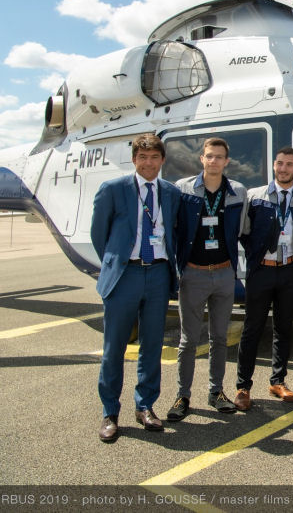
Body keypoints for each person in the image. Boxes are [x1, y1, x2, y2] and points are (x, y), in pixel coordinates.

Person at [91, 133, 181, 442]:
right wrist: (118, 262)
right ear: (134, 160)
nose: (148, 163)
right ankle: (110, 412)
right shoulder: (113, 190)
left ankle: (145, 406)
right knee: (114, 348)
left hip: (157, 274)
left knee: (152, 345)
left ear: (162, 160)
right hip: (125, 276)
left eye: (154, 157)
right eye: (142, 157)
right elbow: (99, 236)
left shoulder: (170, 193)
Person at [167, 137, 248, 421]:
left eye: (219, 157)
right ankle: (182, 395)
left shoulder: (238, 191)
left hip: (225, 273)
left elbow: (242, 229)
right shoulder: (183, 189)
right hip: (193, 274)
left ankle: (216, 392)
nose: (214, 161)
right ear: (201, 159)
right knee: (188, 340)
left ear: (227, 161)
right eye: (209, 156)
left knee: (220, 338)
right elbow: (174, 230)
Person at [233, 147, 293, 410]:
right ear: (274, 166)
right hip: (262, 271)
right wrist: (258, 255)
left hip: (289, 270)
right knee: (252, 329)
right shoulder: (255, 197)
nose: (284, 168)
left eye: (289, 164)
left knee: (284, 328)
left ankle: (278, 381)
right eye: (280, 163)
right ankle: (243, 386)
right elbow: (244, 231)